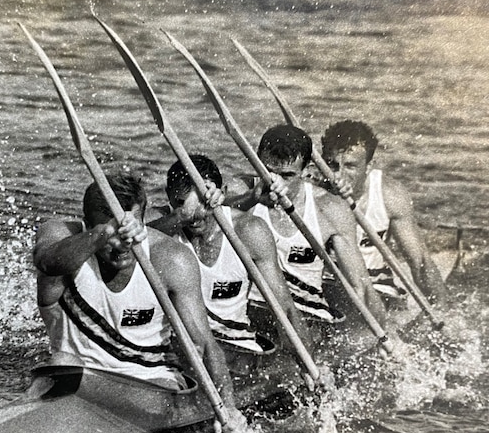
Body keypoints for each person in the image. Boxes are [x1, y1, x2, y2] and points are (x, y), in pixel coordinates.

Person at [33, 172, 246, 429]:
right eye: (113, 236)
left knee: (63, 371)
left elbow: (205, 344)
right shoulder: (59, 235)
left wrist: (229, 408)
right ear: (88, 225)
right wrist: (104, 233)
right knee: (62, 364)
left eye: (133, 229)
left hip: (151, 383)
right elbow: (47, 262)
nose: (123, 245)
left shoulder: (171, 260)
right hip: (78, 375)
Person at [148, 154, 315, 365]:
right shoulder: (159, 225)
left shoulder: (248, 231)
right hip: (189, 349)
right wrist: (180, 216)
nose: (196, 213)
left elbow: (285, 309)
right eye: (180, 203)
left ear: (222, 194)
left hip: (239, 349)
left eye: (203, 201)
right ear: (168, 198)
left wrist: (310, 366)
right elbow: (129, 241)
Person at [225, 124, 389, 334]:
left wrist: (381, 336)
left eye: (287, 175)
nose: (275, 182)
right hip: (254, 309)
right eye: (268, 172)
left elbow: (362, 286)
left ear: (306, 171)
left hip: (307, 315)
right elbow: (210, 214)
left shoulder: (329, 208)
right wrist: (251, 199)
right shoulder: (242, 189)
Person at [320, 120, 449, 307]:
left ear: (369, 165)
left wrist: (440, 308)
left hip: (375, 286)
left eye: (350, 166)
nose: (338, 176)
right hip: (326, 282)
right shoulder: (310, 190)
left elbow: (419, 262)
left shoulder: (389, 194)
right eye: (331, 165)